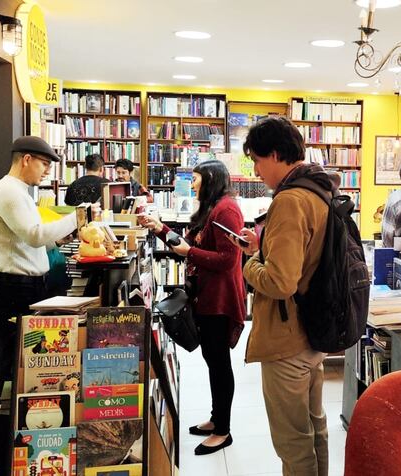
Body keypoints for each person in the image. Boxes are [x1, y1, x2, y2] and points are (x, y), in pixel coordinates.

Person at [233, 116, 331, 476]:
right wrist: (264, 248)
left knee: (293, 442)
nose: (256, 171)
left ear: (275, 155)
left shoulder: (290, 201)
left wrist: (249, 260)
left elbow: (279, 282)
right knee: (314, 428)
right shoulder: (320, 190)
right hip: (313, 331)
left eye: (257, 161)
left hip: (287, 338)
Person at [137, 160, 246, 456]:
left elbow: (228, 259)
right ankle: (216, 418)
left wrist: (191, 253)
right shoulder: (212, 208)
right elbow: (188, 242)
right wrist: (160, 228)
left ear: (210, 179)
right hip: (208, 297)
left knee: (219, 363)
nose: (192, 184)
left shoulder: (227, 210)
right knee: (213, 360)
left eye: (195, 178)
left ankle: (223, 430)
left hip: (220, 300)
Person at [0, 136, 77, 399]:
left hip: (23, 287)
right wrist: (76, 218)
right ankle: (0, 419)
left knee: (28, 359)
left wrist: (56, 240)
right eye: (44, 164)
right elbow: (34, 235)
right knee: (7, 360)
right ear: (26, 159)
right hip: (13, 290)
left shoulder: (18, 192)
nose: (47, 171)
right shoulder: (8, 192)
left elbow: (25, 245)